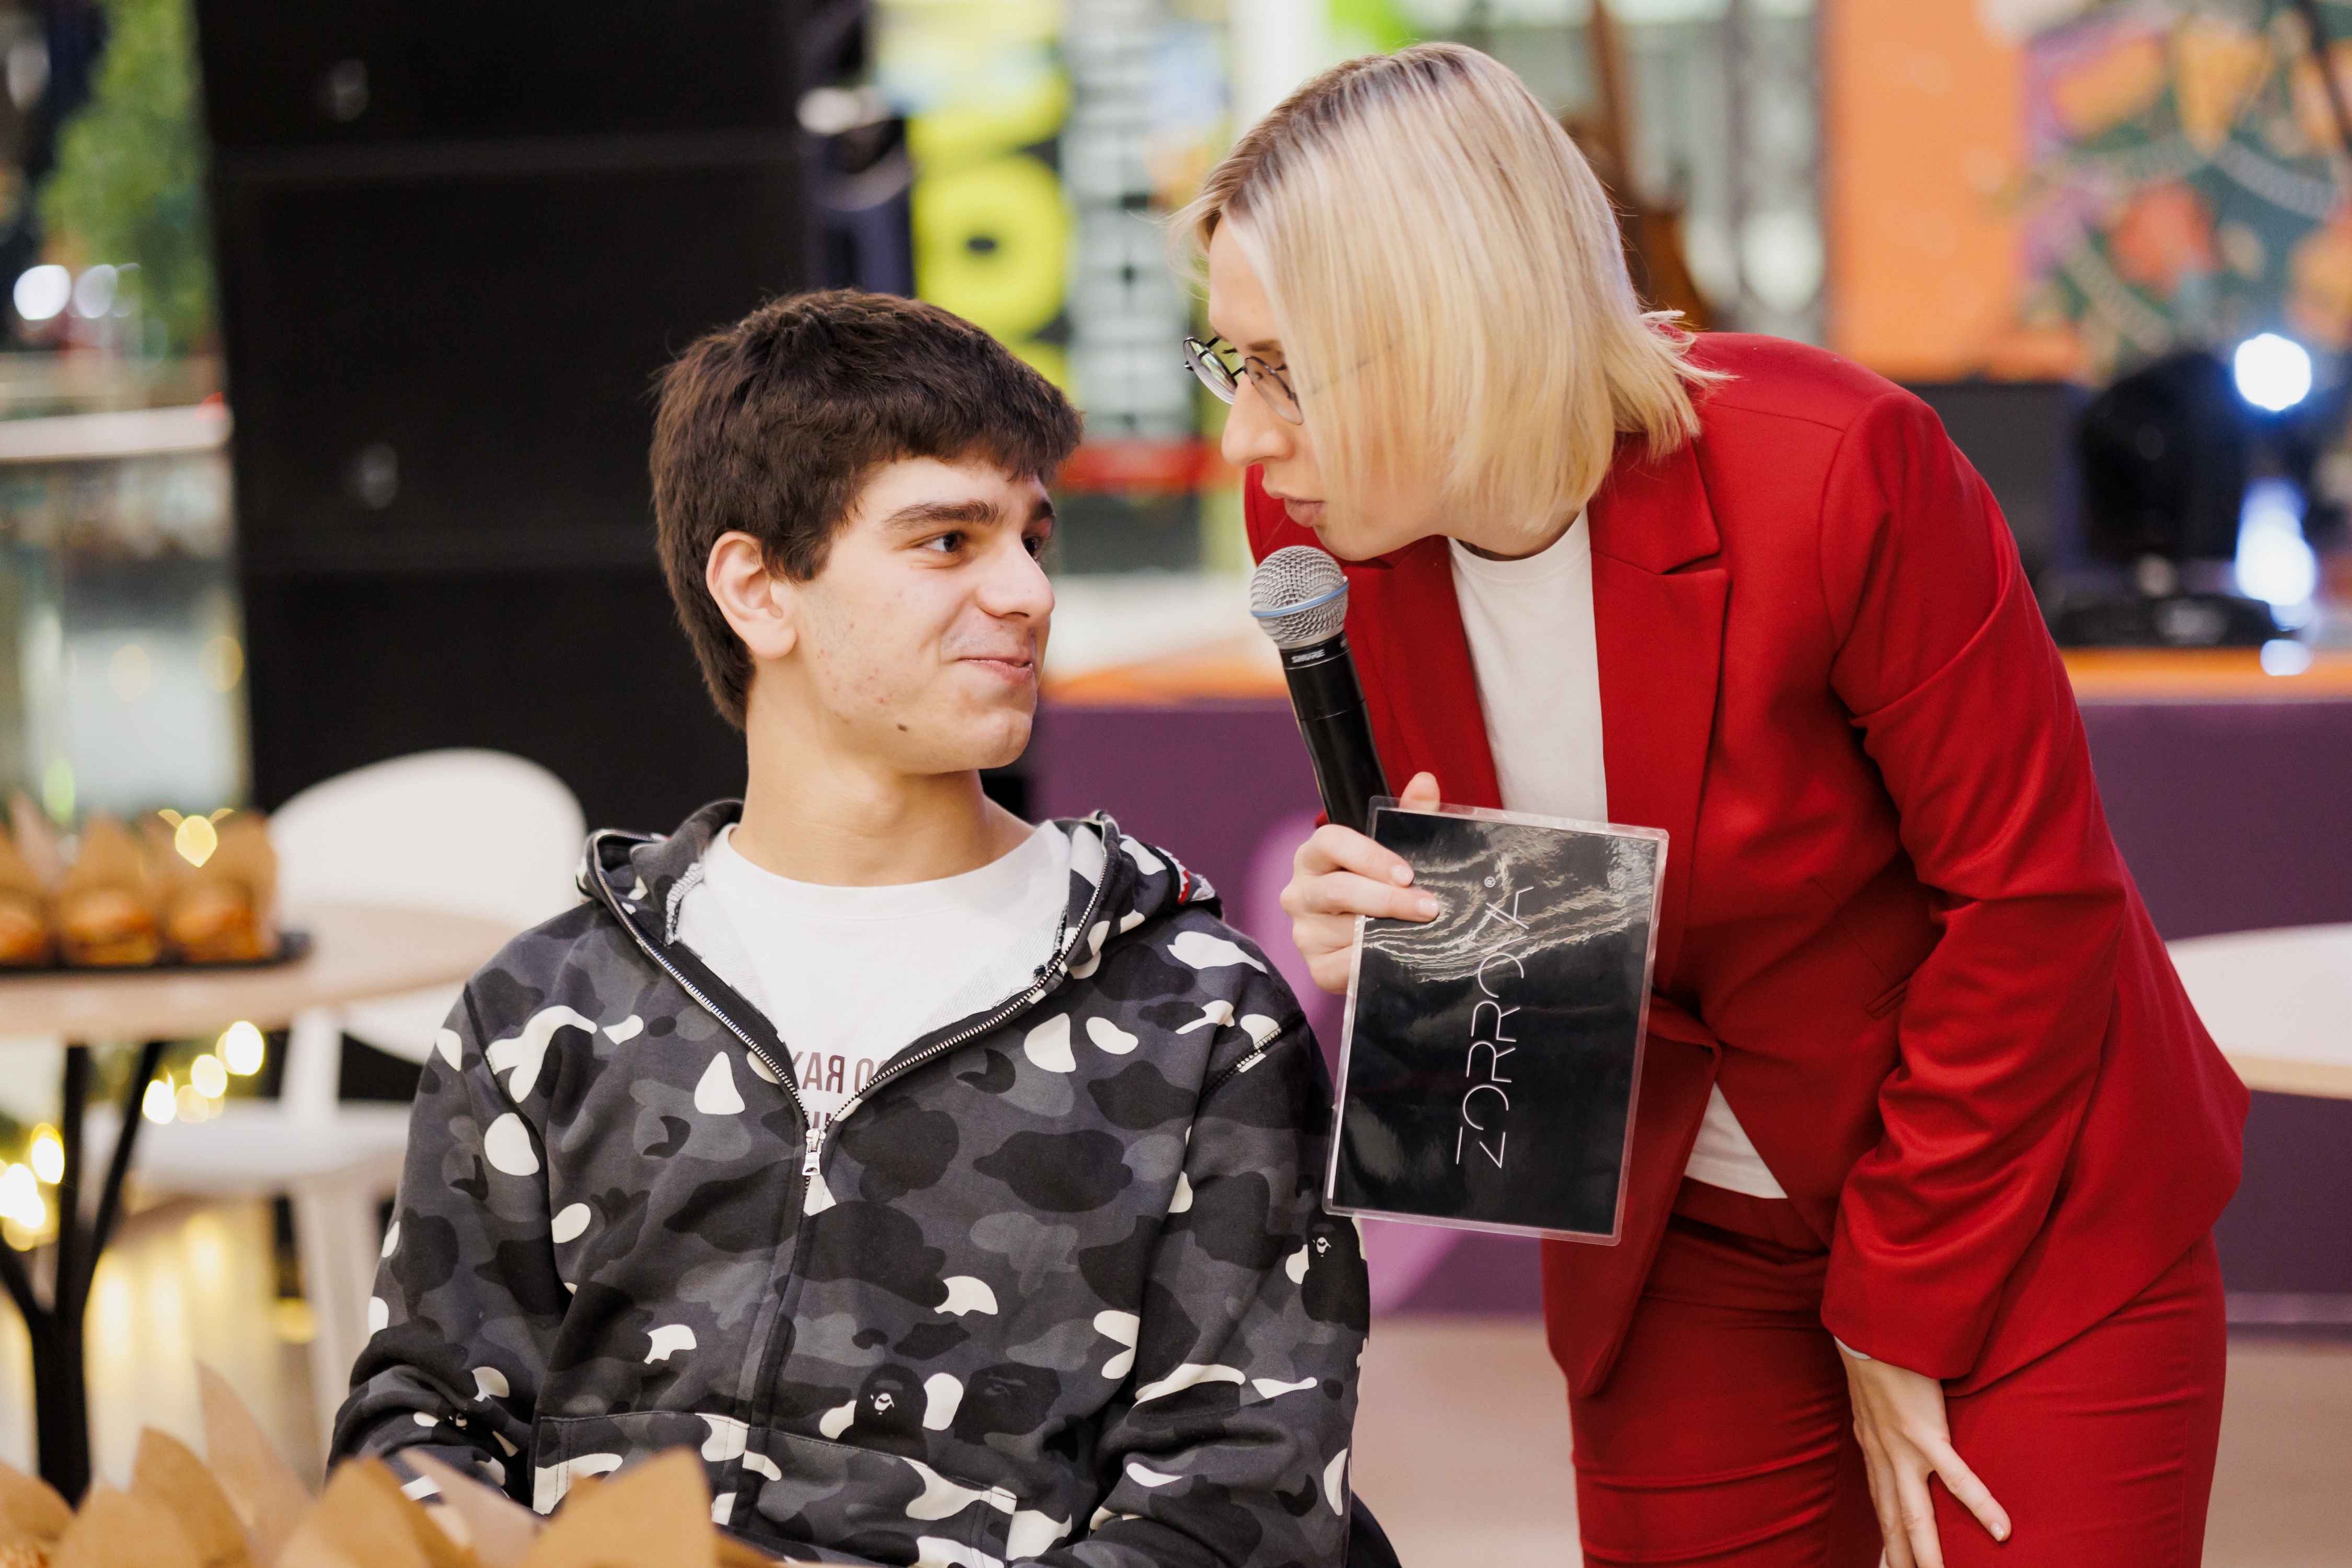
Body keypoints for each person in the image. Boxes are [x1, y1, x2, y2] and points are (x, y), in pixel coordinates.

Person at [1179, 43, 2246, 1568]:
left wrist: (1897, 1307)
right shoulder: (1321, 516)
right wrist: (1400, 929)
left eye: (1286, 369)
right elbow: (1524, 905)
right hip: (1677, 1228)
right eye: (1232, 362)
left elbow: (2031, 904)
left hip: (2013, 1185)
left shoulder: (1835, 469)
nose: (1246, 436)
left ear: (1457, 329)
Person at [332, 290, 1368, 1568]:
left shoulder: (1198, 1015)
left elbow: (1241, 1508)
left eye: (1033, 538)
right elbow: (423, 1422)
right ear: (758, 589)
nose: (1026, 592)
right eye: (949, 540)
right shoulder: (544, 1010)